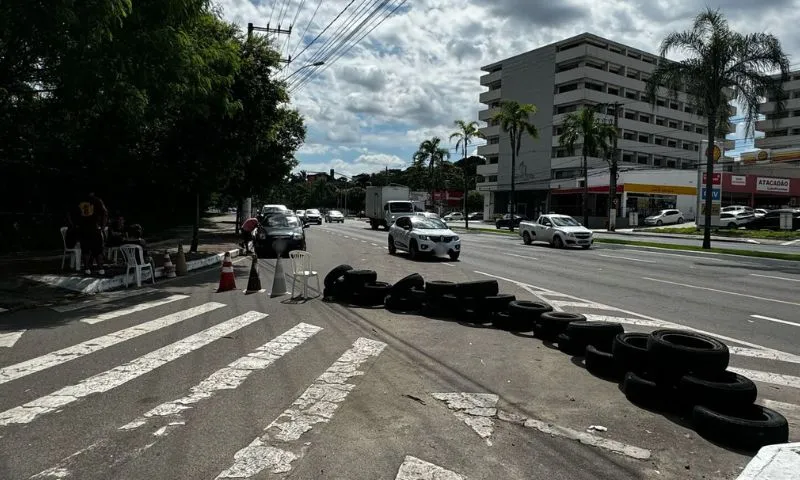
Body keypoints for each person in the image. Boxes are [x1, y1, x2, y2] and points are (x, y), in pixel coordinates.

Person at [70, 192, 108, 275]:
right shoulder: (97, 200)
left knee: (85, 250)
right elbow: (105, 213)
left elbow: (72, 214)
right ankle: (100, 269)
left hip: (83, 229)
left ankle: (87, 268)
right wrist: (102, 226)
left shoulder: (79, 200)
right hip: (94, 228)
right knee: (98, 250)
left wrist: (76, 225)